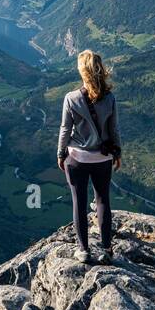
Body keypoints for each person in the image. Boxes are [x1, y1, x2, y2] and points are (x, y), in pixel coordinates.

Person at [56, 49, 122, 264]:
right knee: (103, 201)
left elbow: (65, 130)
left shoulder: (71, 98)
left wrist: (60, 154)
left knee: (79, 203)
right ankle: (106, 250)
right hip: (102, 159)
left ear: (82, 72)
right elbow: (114, 130)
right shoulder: (109, 98)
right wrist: (117, 153)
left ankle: (83, 250)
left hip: (77, 159)